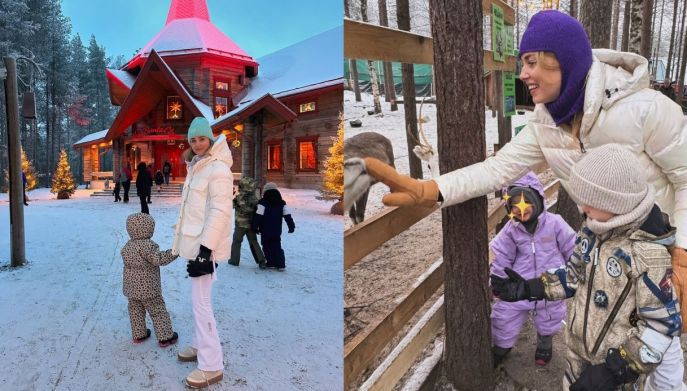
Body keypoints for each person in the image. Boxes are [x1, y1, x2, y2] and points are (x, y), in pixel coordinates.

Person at [360, 10, 687, 388]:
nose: (523, 74)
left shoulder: (646, 109)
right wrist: (430, 190)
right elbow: (496, 170)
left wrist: (681, 254)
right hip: (601, 253)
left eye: (531, 62)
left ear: (563, 60)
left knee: (662, 357)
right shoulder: (546, 124)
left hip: (657, 258)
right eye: (521, 63)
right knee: (594, 343)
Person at [492, 145, 684, 391]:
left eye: (590, 201)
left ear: (615, 201)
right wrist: (532, 287)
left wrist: (618, 370)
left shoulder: (647, 255)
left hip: (613, 376)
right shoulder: (592, 231)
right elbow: (573, 276)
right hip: (577, 359)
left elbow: (662, 326)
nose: (582, 208)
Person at [490, 172, 575, 367]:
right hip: (520, 286)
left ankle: (545, 342)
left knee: (550, 315)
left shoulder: (555, 223)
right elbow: (502, 255)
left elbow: (571, 246)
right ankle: (502, 345)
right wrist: (499, 280)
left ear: (537, 199)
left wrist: (573, 268)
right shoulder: (511, 230)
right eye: (514, 206)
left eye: (526, 202)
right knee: (504, 315)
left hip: (550, 284)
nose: (521, 210)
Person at [172, 117, 233, 388]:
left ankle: (211, 365)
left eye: (202, 139)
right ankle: (199, 344)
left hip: (204, 248)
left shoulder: (217, 168)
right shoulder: (197, 166)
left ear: (210, 139)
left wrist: (204, 252)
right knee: (198, 299)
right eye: (193, 139)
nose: (197, 144)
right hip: (196, 245)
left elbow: (220, 211)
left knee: (201, 304)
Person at [121, 213, 179, 347]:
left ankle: (139, 334)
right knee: (157, 309)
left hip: (131, 288)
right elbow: (159, 259)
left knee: (135, 310)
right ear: (149, 229)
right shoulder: (148, 246)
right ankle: (165, 337)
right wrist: (174, 252)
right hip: (149, 289)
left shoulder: (127, 246)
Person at [252, 182, 295, 270]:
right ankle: (280, 264)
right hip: (276, 230)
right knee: (277, 246)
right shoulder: (281, 203)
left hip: (265, 229)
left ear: (265, 192)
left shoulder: (262, 203)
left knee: (266, 246)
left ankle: (271, 262)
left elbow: (258, 216)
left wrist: (254, 226)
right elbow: (287, 216)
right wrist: (291, 226)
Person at [229, 177, 266, 268]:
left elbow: (230, 205)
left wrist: (230, 196)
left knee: (236, 242)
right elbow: (258, 210)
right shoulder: (255, 199)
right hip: (251, 224)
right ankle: (261, 260)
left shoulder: (238, 198)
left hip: (240, 225)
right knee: (253, 242)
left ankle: (234, 260)